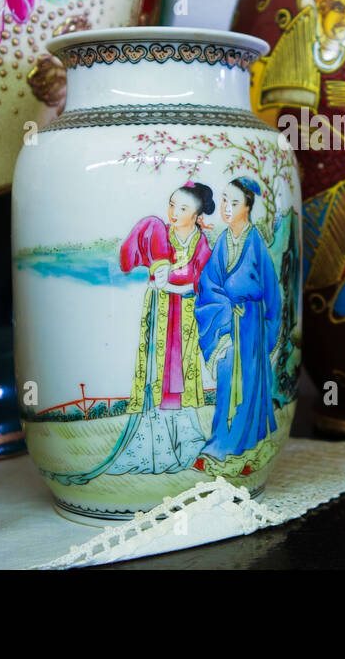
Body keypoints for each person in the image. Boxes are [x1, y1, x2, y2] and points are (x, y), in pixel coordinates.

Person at [106, 182, 215, 474]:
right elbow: (135, 260)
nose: (174, 213)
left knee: (181, 370)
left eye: (183, 208)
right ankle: (154, 446)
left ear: (197, 214)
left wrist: (176, 280)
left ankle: (187, 442)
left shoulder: (200, 242)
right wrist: (160, 277)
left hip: (186, 314)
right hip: (160, 312)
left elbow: (201, 276)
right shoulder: (159, 232)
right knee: (157, 370)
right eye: (171, 205)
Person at [194, 177, 282, 473]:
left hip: (252, 325)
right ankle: (220, 441)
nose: (226, 208)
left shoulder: (255, 243)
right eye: (223, 201)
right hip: (227, 326)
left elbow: (272, 294)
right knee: (226, 382)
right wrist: (224, 309)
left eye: (234, 202)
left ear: (248, 207)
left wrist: (268, 335)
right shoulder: (223, 242)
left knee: (249, 384)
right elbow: (208, 283)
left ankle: (244, 448)